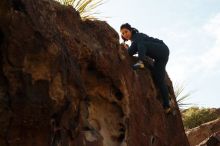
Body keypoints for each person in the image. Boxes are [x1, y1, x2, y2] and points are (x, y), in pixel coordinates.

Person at [120, 23, 171, 114]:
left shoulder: (138, 36)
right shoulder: (134, 42)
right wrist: (126, 49)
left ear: (131, 30)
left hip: (162, 49)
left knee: (141, 43)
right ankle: (167, 105)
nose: (125, 34)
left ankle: (141, 62)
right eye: (123, 33)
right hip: (160, 58)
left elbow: (139, 46)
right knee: (159, 79)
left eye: (126, 31)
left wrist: (136, 57)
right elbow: (130, 52)